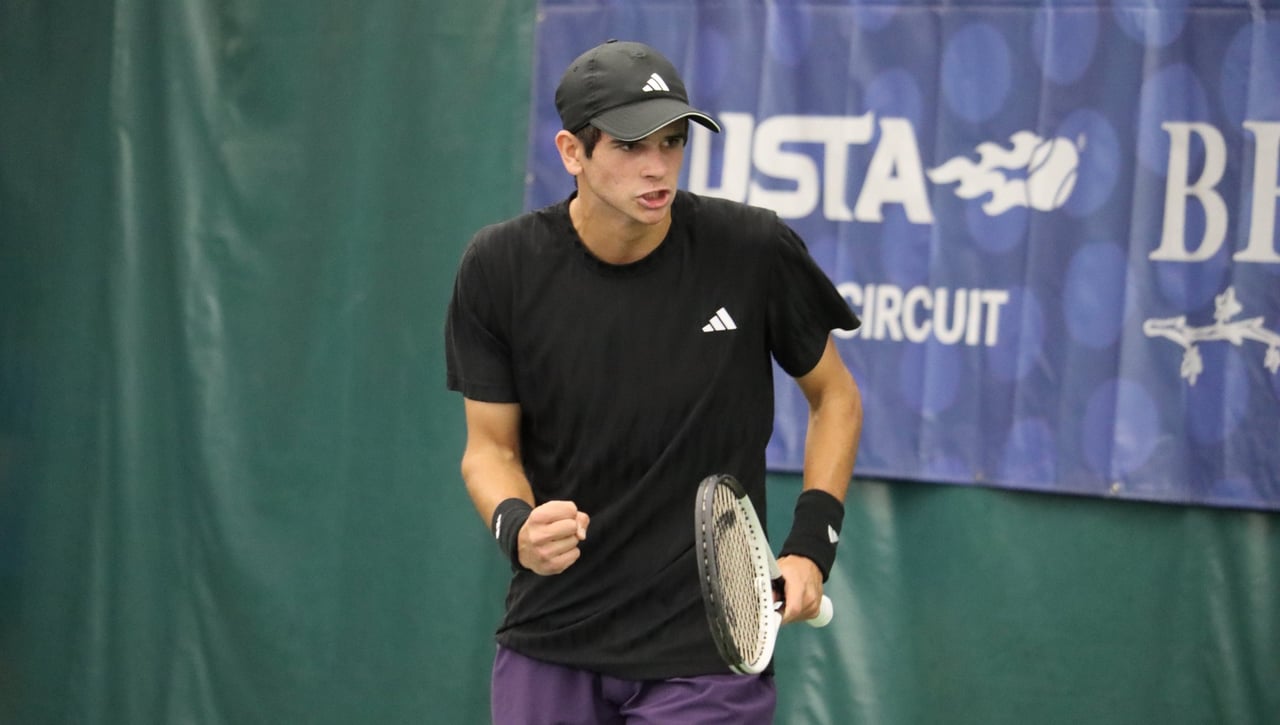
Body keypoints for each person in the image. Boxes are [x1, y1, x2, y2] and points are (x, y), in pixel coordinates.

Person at [445, 39, 863, 724]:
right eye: (631, 145)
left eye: (672, 142)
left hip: (707, 655)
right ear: (572, 152)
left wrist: (811, 548)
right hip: (552, 637)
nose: (658, 165)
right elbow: (489, 449)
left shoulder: (752, 249)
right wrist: (516, 525)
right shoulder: (499, 268)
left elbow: (835, 397)